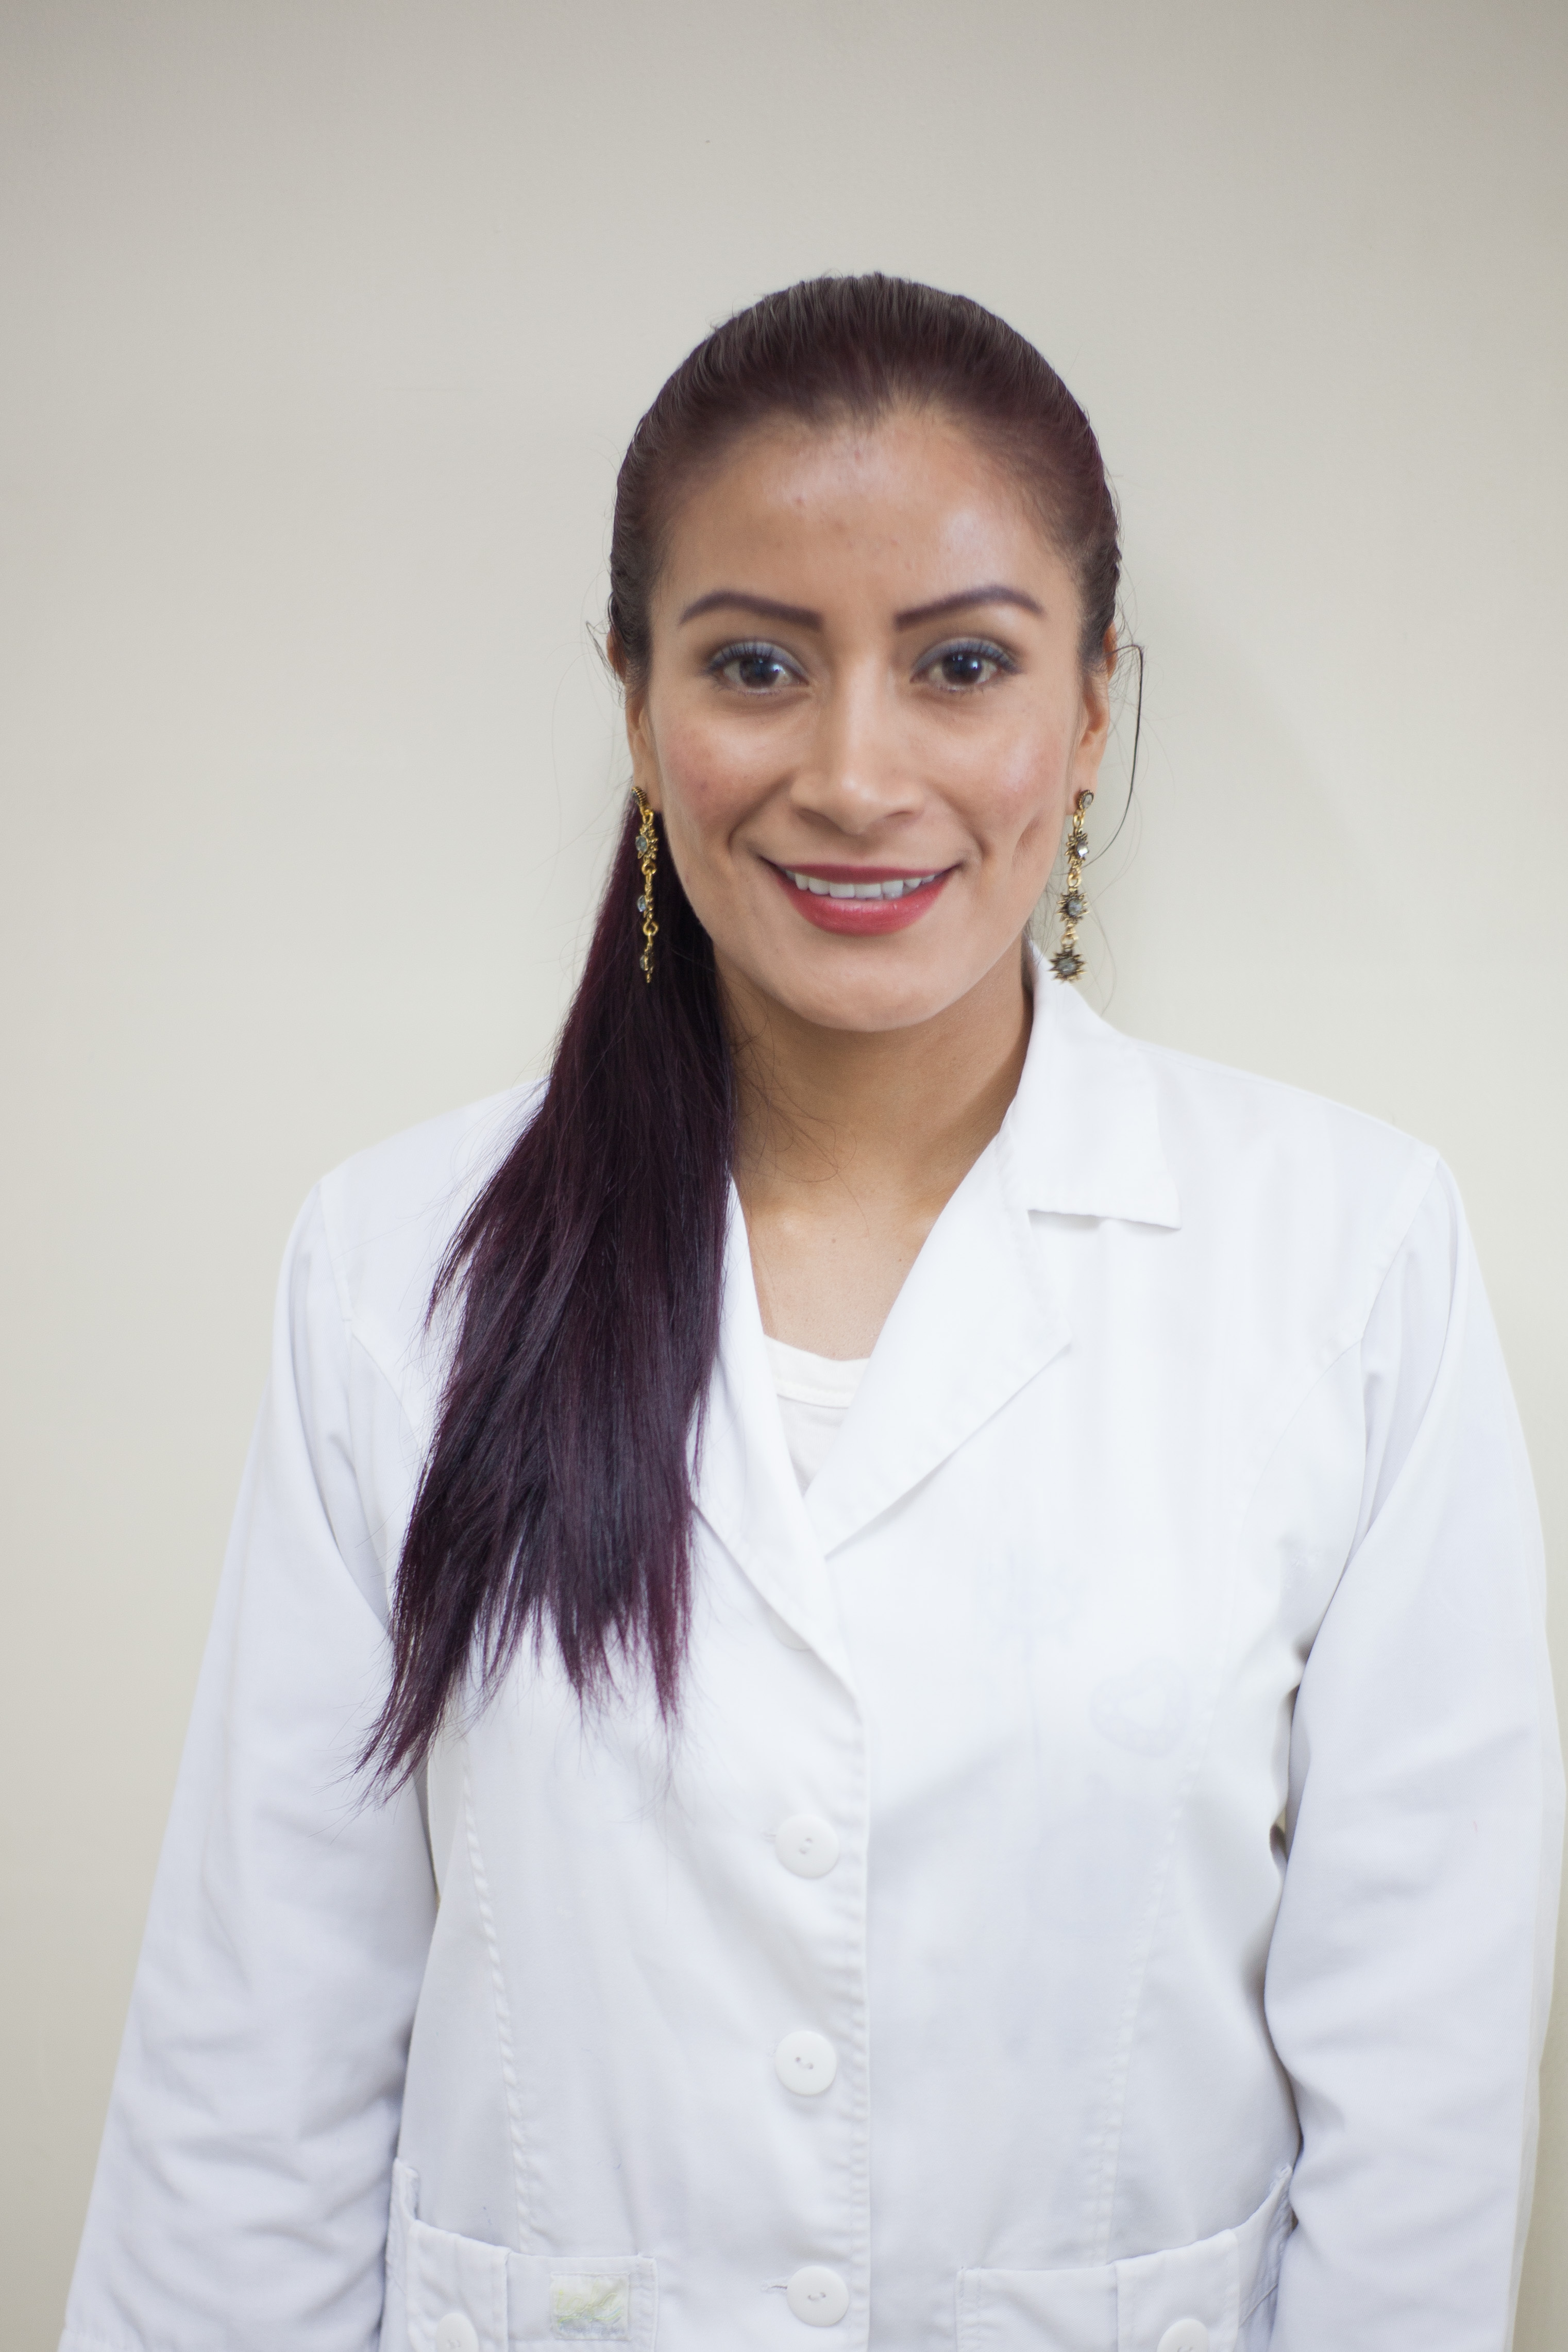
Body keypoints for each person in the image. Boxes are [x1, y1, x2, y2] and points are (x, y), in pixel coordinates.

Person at [61, 275, 1560, 2352]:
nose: (856, 774)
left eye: (961, 664)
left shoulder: (1345, 1257)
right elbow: (254, 2085)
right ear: (633, 702)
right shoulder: (394, 1270)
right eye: (755, 663)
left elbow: (1420, 2104)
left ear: (1092, 710)